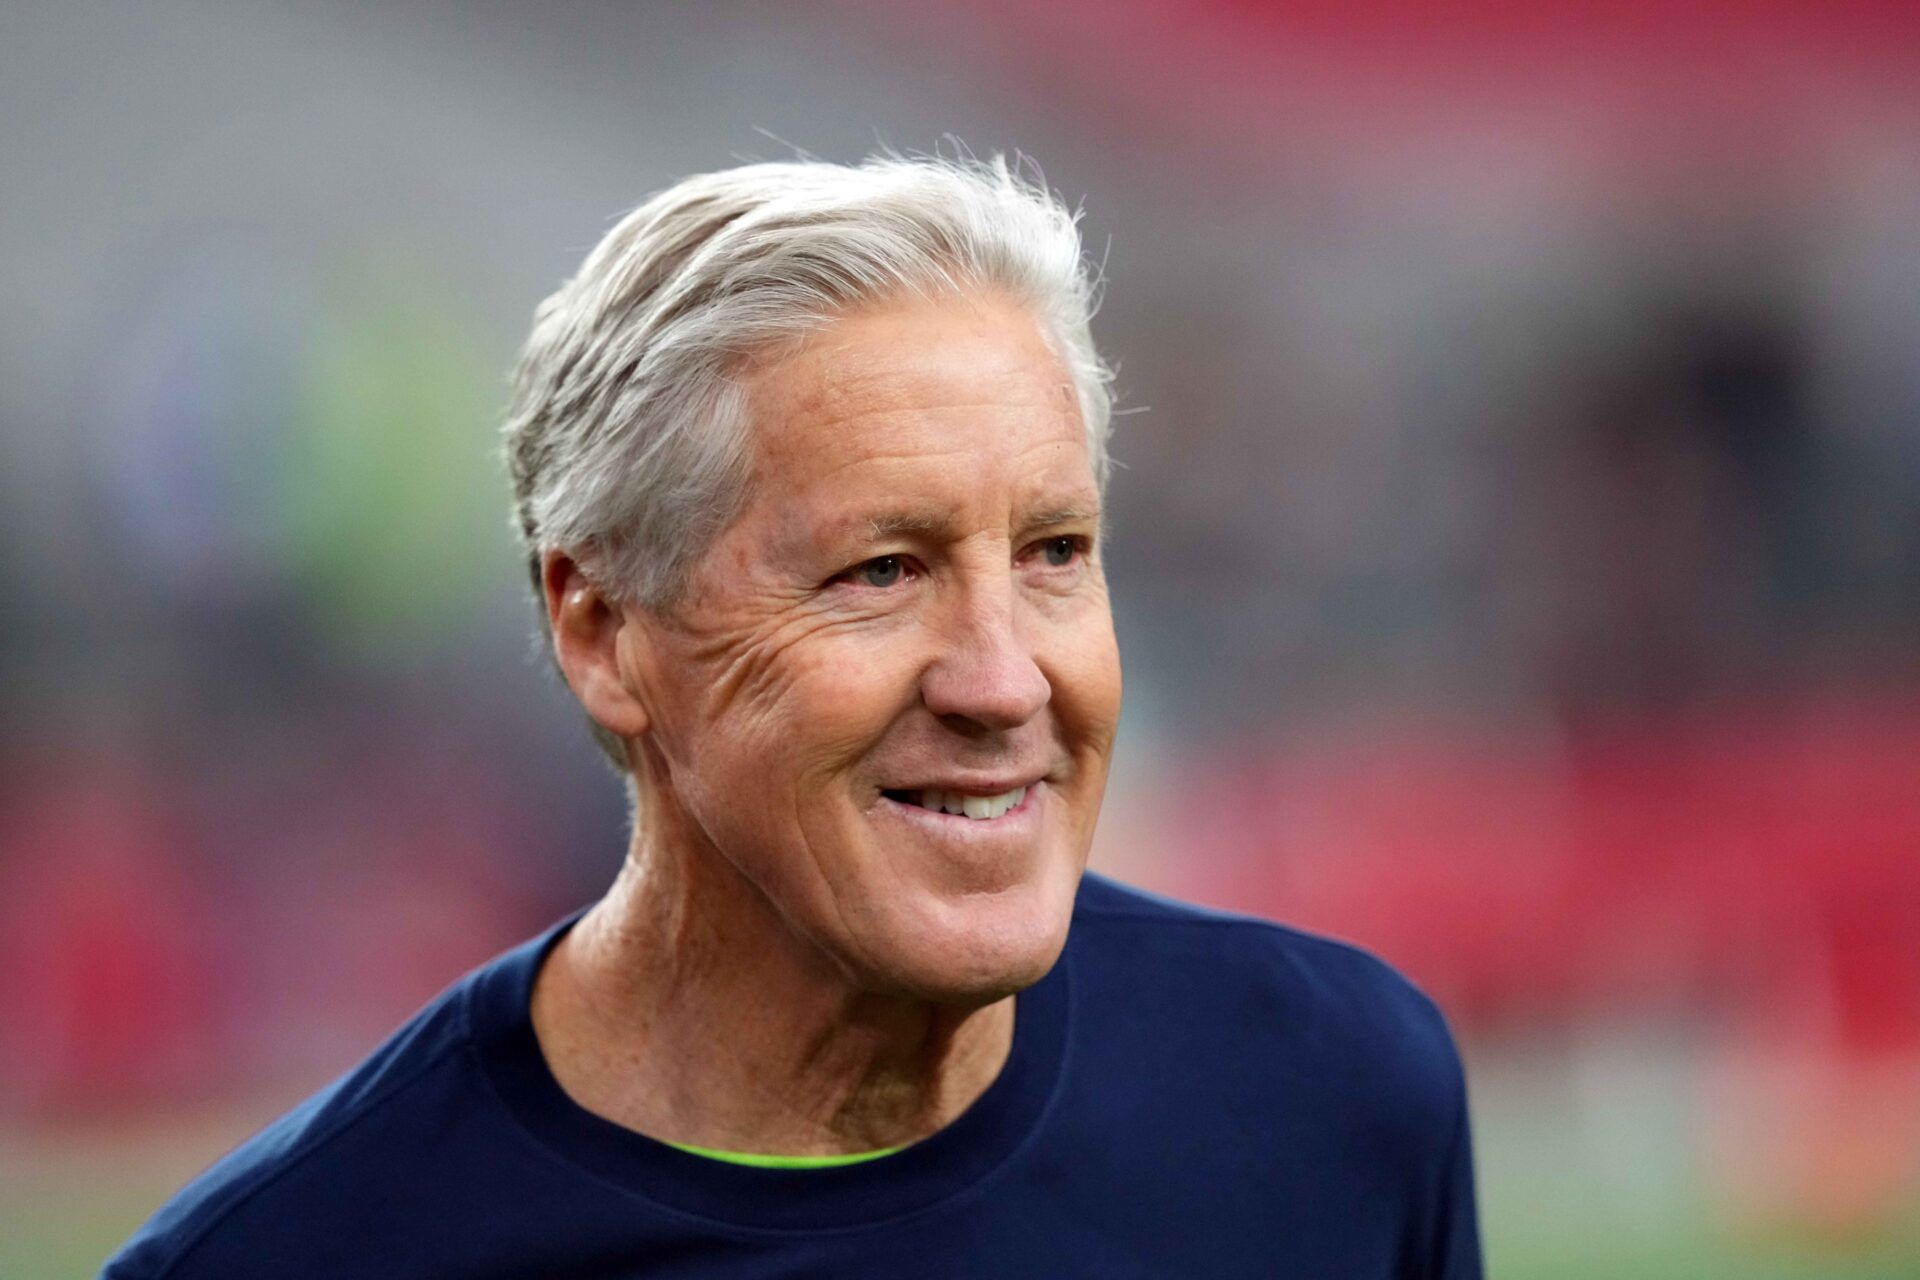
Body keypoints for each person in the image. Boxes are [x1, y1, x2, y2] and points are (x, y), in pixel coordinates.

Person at [103, 155, 1482, 1278]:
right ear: (604, 634)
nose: (1004, 682)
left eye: (1055, 551)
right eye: (882, 572)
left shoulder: (1337, 1094)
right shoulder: (294, 1258)